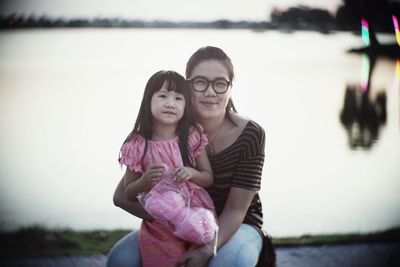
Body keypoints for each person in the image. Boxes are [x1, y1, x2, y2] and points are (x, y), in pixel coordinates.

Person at [108, 46, 272, 267]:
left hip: (238, 224)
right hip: (176, 223)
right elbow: (121, 197)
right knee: (120, 259)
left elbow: (236, 210)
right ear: (188, 86)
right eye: (200, 82)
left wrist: (207, 250)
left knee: (230, 263)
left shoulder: (251, 134)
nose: (210, 92)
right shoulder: (168, 127)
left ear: (231, 87)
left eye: (220, 83)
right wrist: (174, 219)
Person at [117, 70, 218, 267]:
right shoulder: (137, 145)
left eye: (178, 98)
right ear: (148, 101)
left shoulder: (191, 136)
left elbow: (208, 178)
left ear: (186, 105)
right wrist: (144, 180)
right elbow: (128, 193)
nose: (170, 103)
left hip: (195, 214)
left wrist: (192, 173)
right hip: (159, 224)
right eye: (162, 96)